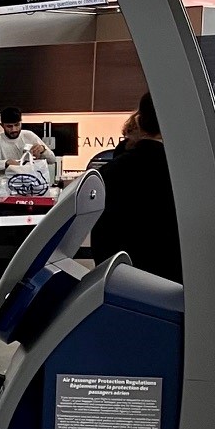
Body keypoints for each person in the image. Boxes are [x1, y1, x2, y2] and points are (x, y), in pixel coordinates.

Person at [91, 92, 181, 285]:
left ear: (139, 122)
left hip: (122, 284)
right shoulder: (186, 174)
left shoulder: (109, 171)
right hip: (174, 286)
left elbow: (101, 237)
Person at [0, 105, 52, 171]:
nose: (14, 129)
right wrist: (6, 163)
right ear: (2, 125)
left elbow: (52, 160)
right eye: (9, 126)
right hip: (6, 181)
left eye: (17, 125)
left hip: (30, 180)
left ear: (21, 123)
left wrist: (43, 150)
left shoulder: (29, 135)